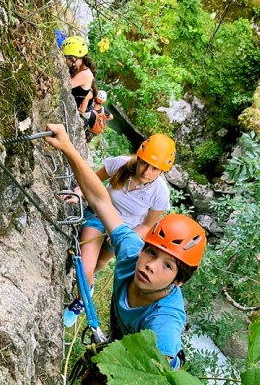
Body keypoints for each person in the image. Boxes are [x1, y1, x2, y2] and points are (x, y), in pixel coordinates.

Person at [44, 124, 207, 380]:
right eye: (152, 254)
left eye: (168, 266)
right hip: (118, 351)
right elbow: (99, 200)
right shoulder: (132, 253)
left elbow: (163, 366)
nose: (151, 265)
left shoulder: (164, 321)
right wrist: (67, 146)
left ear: (179, 280)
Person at [62, 132, 176, 327]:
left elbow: (148, 225)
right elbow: (93, 180)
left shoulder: (160, 194)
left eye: (154, 169)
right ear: (139, 157)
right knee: (86, 266)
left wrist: (122, 235)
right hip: (98, 217)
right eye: (144, 163)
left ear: (161, 172)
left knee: (99, 264)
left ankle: (88, 284)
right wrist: (77, 193)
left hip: (124, 231)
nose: (146, 171)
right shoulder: (120, 164)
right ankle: (82, 299)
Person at [61, 36, 96, 114]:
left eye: (65, 57)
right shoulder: (77, 68)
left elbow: (64, 85)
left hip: (68, 109)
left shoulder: (86, 74)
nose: (64, 59)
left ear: (73, 58)